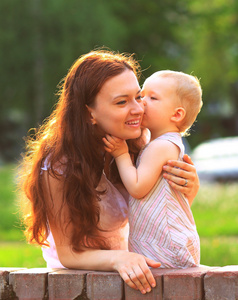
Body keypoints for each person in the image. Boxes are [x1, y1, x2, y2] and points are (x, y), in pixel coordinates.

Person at [18, 51, 200, 295]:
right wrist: (119, 259)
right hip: (80, 287)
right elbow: (68, 253)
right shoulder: (59, 167)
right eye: (122, 102)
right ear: (89, 113)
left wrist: (188, 191)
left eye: (138, 96)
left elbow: (155, 213)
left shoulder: (139, 144)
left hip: (137, 273)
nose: (138, 108)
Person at [103, 70, 203, 268]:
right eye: (142, 95)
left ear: (177, 114)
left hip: (164, 245)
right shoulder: (162, 144)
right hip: (165, 240)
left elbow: (138, 187)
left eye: (153, 97)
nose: (142, 102)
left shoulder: (161, 146)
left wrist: (121, 154)